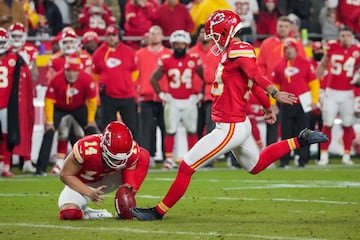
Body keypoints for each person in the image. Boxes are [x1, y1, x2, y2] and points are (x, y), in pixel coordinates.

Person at [131, 10, 328, 220]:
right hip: (238, 124)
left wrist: (274, 93)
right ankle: (301, 140)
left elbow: (254, 75)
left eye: (215, 35)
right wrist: (267, 105)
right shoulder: (233, 51)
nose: (213, 40)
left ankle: (158, 212)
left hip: (229, 126)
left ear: (224, 32)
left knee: (187, 165)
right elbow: (250, 84)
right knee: (256, 165)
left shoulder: (238, 50)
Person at [58, 121, 150, 220]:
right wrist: (89, 192)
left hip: (109, 179)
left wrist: (127, 192)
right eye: (114, 158)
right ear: (103, 147)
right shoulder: (86, 148)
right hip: (83, 183)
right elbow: (65, 174)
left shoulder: (132, 150)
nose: (119, 162)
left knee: (143, 155)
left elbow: (130, 169)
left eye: (123, 158)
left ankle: (123, 207)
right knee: (69, 214)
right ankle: (90, 214)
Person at [35, 54, 98, 176]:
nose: (71, 74)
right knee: (49, 132)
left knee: (92, 132)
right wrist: (49, 121)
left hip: (79, 107)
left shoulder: (87, 79)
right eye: (69, 71)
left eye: (75, 71)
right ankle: (40, 169)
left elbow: (92, 100)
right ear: (65, 70)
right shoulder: (56, 79)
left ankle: (96, 166)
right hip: (59, 108)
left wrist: (90, 119)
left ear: (79, 71)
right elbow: (49, 100)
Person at [150, 30, 204, 170]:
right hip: (173, 100)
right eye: (176, 44)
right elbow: (153, 79)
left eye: (182, 43)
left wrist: (201, 94)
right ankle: (169, 160)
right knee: (170, 130)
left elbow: (206, 77)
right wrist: (161, 95)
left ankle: (192, 159)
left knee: (192, 130)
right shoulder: (167, 60)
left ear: (186, 44)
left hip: (189, 100)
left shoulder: (193, 59)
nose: (179, 46)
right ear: (172, 44)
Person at [257, 15, 306, 148]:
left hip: (292, 89)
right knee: (272, 120)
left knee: (294, 123)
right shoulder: (267, 43)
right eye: (280, 26)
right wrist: (264, 84)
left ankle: (294, 154)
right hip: (272, 87)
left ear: (290, 28)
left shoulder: (297, 44)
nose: (283, 29)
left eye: (286, 26)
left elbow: (303, 64)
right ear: (276, 27)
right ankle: (271, 153)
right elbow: (260, 65)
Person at [271, 38, 320, 168]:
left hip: (302, 103)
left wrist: (315, 100)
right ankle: (284, 160)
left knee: (304, 132)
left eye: (291, 48)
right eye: (286, 49)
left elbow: (314, 83)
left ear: (296, 49)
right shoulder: (279, 65)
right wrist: (273, 103)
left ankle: (303, 159)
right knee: (286, 133)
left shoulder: (305, 63)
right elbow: (274, 87)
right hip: (286, 105)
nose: (288, 51)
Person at [316, 27, 360, 166]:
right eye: (343, 35)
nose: (345, 37)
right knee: (327, 123)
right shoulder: (332, 46)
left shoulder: (357, 50)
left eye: (348, 35)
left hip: (348, 92)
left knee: (348, 124)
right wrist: (316, 85)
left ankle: (346, 155)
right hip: (331, 91)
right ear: (339, 36)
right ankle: (324, 156)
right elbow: (322, 64)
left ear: (352, 37)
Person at [92, 25, 139, 141]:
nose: (111, 38)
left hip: (127, 96)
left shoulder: (129, 52)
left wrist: (128, 85)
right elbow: (95, 75)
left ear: (119, 36)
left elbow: (135, 72)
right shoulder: (98, 54)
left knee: (133, 128)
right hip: (108, 97)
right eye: (109, 35)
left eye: (114, 35)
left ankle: (134, 154)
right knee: (108, 130)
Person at [135, 25, 172, 167]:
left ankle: (166, 157)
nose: (155, 36)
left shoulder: (169, 54)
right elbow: (135, 76)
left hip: (165, 97)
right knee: (146, 129)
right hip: (146, 96)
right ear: (148, 36)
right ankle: (146, 157)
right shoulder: (139, 54)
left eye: (157, 33)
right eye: (152, 33)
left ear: (162, 36)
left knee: (166, 127)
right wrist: (136, 94)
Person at [0, 27, 31, 177]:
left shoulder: (15, 58)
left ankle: (5, 166)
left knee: (7, 136)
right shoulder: (15, 58)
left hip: (6, 104)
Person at [8, 22, 37, 173]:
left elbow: (35, 75)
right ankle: (7, 162)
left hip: (26, 94)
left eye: (20, 36)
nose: (17, 39)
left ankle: (26, 159)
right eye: (15, 36)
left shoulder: (30, 51)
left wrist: (28, 63)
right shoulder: (5, 50)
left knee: (28, 125)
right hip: (8, 95)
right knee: (8, 128)